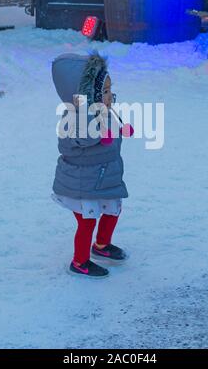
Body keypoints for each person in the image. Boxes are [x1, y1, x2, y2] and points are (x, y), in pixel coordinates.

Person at [51, 51, 130, 278]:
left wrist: (120, 129)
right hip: (82, 182)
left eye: (109, 89)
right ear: (87, 93)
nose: (109, 95)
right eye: (104, 91)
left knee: (113, 210)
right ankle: (80, 262)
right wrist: (98, 136)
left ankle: (102, 245)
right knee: (87, 221)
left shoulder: (103, 110)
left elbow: (110, 128)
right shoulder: (72, 116)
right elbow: (72, 142)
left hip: (104, 175)